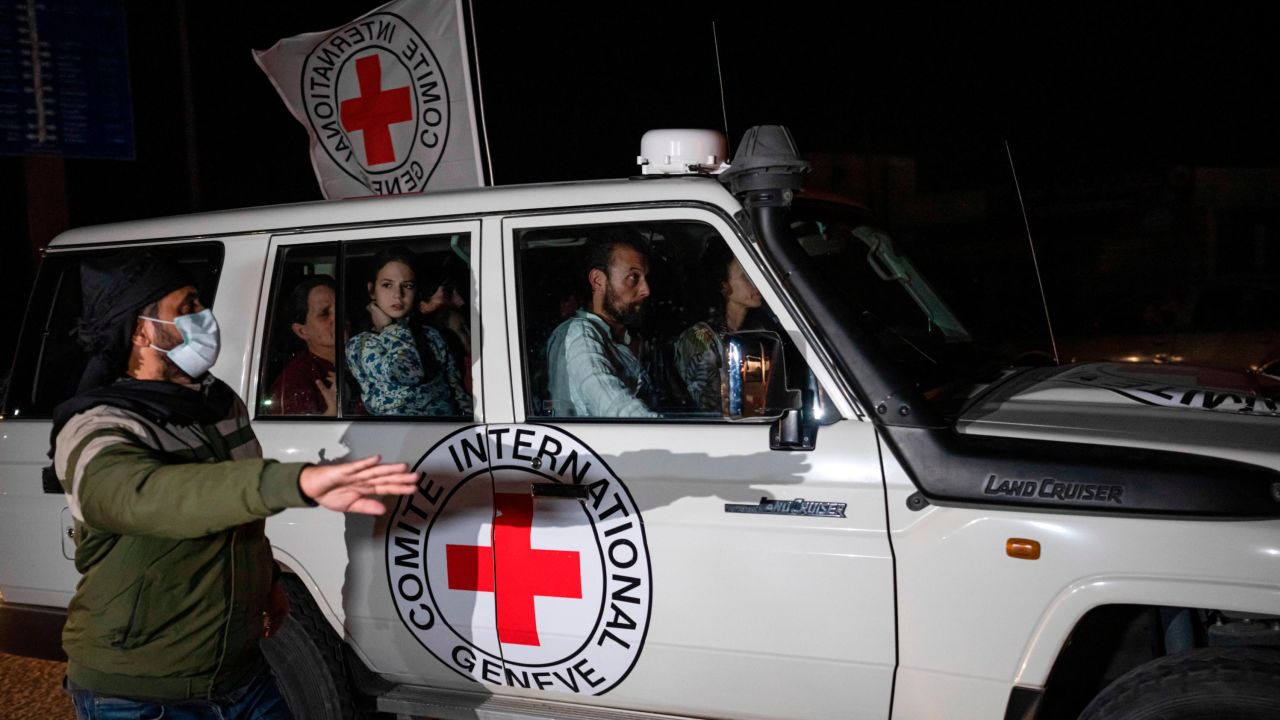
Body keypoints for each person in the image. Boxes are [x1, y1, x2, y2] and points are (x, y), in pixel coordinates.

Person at [50, 252, 419, 719]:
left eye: (200, 302)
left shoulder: (219, 403)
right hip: (139, 692)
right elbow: (140, 495)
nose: (203, 317)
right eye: (185, 308)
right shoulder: (97, 424)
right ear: (141, 331)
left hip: (240, 675)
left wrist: (264, 582)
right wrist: (293, 480)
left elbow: (240, 515)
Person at [345, 247, 471, 416]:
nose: (398, 295)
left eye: (407, 286)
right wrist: (390, 328)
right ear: (372, 291)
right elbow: (408, 373)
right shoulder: (360, 345)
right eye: (387, 285)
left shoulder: (431, 335)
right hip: (396, 437)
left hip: (446, 436)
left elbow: (457, 391)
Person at [545, 238, 660, 417]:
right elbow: (618, 410)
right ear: (598, 280)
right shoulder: (582, 335)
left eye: (645, 278)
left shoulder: (621, 338)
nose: (646, 289)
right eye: (633, 278)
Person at [674, 248, 767, 412]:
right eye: (746, 276)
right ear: (724, 286)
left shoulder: (758, 330)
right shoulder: (699, 337)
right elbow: (711, 406)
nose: (756, 280)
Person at [266, 275, 337, 415]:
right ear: (302, 331)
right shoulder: (294, 383)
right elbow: (294, 435)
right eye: (324, 313)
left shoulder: (365, 357)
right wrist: (331, 414)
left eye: (341, 309)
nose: (338, 317)